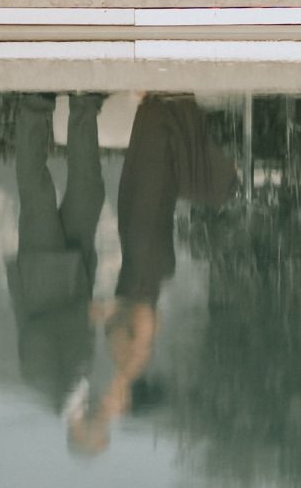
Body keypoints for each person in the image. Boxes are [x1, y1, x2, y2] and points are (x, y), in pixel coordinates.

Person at [67, 94, 237, 455]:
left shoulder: (119, 369)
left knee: (138, 184)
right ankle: (160, 110)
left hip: (140, 264)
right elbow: (147, 319)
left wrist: (101, 312)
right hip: (145, 268)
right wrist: (109, 310)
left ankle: (157, 110)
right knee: (149, 182)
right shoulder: (128, 367)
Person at [7, 92, 105, 410]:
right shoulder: (80, 374)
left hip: (42, 271)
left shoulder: (37, 377)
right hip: (77, 272)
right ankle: (84, 104)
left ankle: (34, 105)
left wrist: (85, 317)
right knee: (89, 188)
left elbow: (38, 332)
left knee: (35, 187)